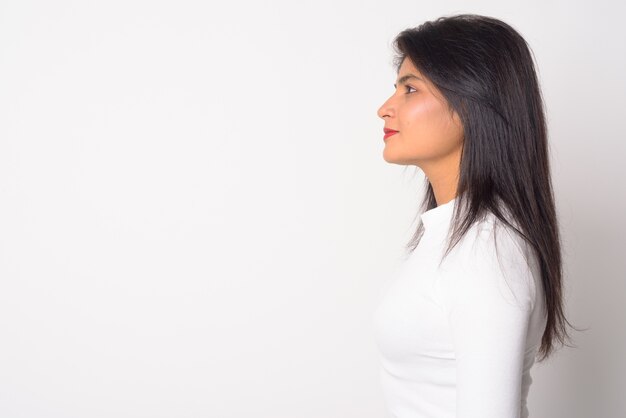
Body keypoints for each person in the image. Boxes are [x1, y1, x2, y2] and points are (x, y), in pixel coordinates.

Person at [372, 13, 579, 418]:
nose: (384, 108)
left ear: (470, 103)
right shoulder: (451, 234)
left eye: (410, 89)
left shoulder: (488, 248)